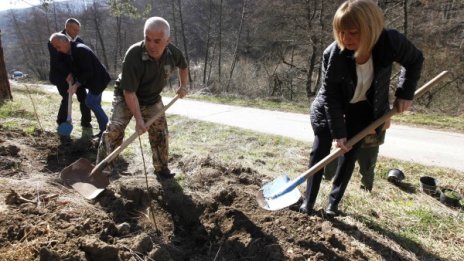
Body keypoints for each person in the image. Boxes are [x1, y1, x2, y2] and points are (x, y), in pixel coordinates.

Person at [299, 0, 423, 216]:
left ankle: (332, 205)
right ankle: (307, 203)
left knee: (350, 154)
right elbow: (331, 96)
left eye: (354, 33)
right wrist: (339, 134)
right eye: (341, 32)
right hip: (330, 109)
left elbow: (415, 60)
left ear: (370, 29)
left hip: (363, 110)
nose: (346, 39)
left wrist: (405, 93)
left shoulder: (390, 42)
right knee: (320, 150)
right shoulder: (334, 54)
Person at [97, 16, 188, 179]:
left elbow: (183, 66)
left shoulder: (173, 53)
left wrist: (184, 86)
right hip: (126, 95)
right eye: (148, 39)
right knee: (114, 130)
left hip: (152, 98)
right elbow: (129, 93)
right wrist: (139, 119)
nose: (151, 45)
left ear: (168, 40)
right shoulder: (134, 54)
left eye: (157, 41)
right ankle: (102, 170)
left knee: (160, 132)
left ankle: (161, 169)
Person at [49, 33, 111, 137]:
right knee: (95, 104)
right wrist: (71, 75)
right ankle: (104, 131)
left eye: (58, 47)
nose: (57, 50)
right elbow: (76, 67)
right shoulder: (69, 52)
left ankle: (107, 130)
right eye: (55, 47)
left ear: (66, 42)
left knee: (90, 102)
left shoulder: (80, 50)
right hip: (91, 80)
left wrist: (76, 85)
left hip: (98, 79)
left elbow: (88, 71)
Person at [47, 18, 92, 132]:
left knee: (84, 98)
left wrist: (76, 75)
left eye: (78, 30)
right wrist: (68, 74)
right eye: (75, 29)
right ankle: (62, 122)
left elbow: (81, 60)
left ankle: (86, 122)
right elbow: (57, 61)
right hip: (61, 76)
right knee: (67, 97)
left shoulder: (79, 41)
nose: (77, 32)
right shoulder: (55, 39)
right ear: (67, 27)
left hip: (76, 75)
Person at [323, 120, 390, 192]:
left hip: (370, 142)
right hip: (346, 137)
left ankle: (365, 190)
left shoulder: (381, 108)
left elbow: (386, 124)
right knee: (332, 159)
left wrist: (363, 131)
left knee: (367, 168)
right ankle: (325, 181)